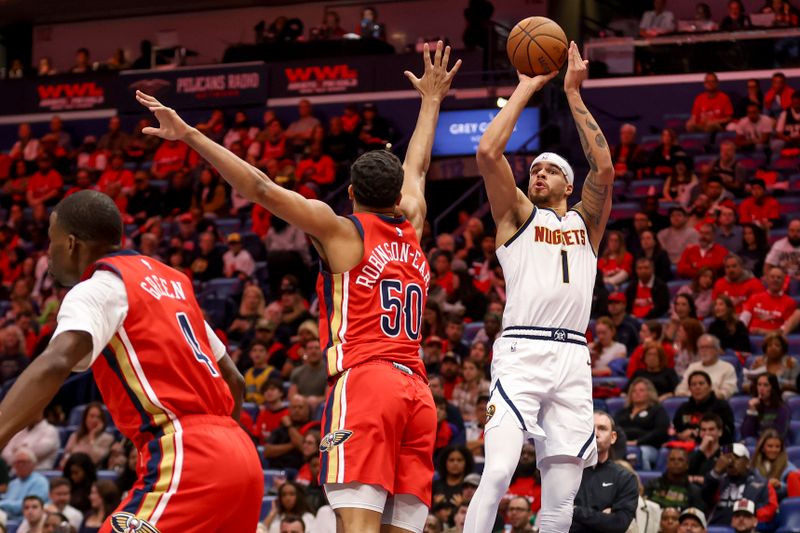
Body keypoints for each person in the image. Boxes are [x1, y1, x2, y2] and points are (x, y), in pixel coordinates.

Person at [139, 43, 462, 533]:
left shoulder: (341, 231)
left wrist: (189, 135)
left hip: (367, 382)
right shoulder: (413, 220)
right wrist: (431, 100)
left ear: (351, 194)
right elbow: (416, 167)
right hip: (419, 394)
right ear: (398, 195)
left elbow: (261, 188)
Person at [0, 191, 263, 531]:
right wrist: (223, 454)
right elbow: (235, 380)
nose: (47, 252)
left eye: (51, 241)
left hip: (187, 452)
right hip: (241, 456)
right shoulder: (173, 283)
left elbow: (55, 362)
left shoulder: (99, 287)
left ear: (71, 243)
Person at [465, 43, 613, 533]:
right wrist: (527, 85)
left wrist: (572, 92)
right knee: (500, 471)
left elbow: (605, 169)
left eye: (549, 169)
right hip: (522, 349)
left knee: (560, 499)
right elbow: (489, 152)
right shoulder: (515, 217)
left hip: (572, 357)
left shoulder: (587, 222)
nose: (538, 174)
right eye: (535, 170)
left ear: (568, 184)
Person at [570, 412, 638, 532]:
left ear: (613, 437)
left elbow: (619, 524)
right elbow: (556, 516)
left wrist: (574, 510)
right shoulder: (567, 472)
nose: (595, 434)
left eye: (602, 429)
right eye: (590, 428)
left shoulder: (625, 478)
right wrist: (603, 518)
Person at [701, 443, 778, 525]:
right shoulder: (717, 481)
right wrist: (716, 472)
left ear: (747, 463)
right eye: (727, 458)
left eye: (736, 458)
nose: (731, 462)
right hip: (716, 528)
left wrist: (747, 518)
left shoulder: (761, 484)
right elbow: (704, 498)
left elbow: (770, 508)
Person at [614, 378, 670, 470]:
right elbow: (614, 430)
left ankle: (644, 481)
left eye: (641, 390)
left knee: (641, 453)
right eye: (634, 391)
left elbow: (660, 432)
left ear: (649, 393)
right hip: (622, 445)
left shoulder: (657, 410)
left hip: (648, 447)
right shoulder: (622, 412)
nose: (637, 393)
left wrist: (637, 442)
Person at [673, 371, 735, 445]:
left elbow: (728, 432)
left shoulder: (721, 406)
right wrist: (680, 436)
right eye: (693, 384)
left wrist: (697, 435)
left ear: (710, 386)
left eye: (701, 383)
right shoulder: (683, 408)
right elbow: (674, 429)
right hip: (686, 448)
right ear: (689, 389)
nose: (697, 387)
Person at [675, 334, 738, 400]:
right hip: (693, 405)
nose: (704, 350)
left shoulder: (727, 368)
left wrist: (696, 394)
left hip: (716, 406)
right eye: (701, 348)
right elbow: (680, 390)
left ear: (716, 350)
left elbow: (725, 393)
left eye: (707, 347)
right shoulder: (693, 367)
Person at [741, 266, 796, 334]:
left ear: (783, 281)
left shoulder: (790, 302)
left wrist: (764, 332)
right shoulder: (754, 298)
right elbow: (743, 320)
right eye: (772, 277)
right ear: (767, 279)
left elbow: (785, 327)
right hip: (751, 336)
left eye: (779, 277)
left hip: (774, 339)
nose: (775, 280)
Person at [59, 403, 114, 468]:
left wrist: (92, 436)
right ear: (85, 418)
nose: (94, 420)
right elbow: (64, 460)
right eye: (91, 416)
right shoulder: (75, 436)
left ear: (102, 420)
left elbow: (95, 459)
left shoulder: (107, 438)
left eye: (98, 417)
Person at [0, 449, 49, 520]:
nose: (20, 465)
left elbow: (28, 505)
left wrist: (2, 504)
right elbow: (6, 499)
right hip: (8, 519)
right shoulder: (13, 483)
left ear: (33, 464)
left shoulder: (40, 482)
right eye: (17, 462)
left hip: (28, 520)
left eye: (24, 462)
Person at [741, 373, 791, 441]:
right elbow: (745, 434)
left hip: (774, 445)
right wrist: (752, 410)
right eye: (759, 384)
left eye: (766, 385)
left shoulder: (783, 409)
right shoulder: (754, 406)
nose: (761, 388)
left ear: (773, 388)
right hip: (756, 444)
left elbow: (780, 434)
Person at [751, 429, 796, 500]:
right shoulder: (753, 465)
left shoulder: (788, 466)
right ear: (762, 448)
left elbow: (794, 487)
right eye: (770, 446)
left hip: (780, 503)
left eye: (777, 447)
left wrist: (780, 485)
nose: (774, 450)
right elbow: (748, 486)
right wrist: (766, 484)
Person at [688, 414, 725, 484]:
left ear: (720, 432)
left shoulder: (725, 454)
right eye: (703, 430)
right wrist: (701, 449)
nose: (707, 433)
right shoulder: (693, 454)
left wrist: (696, 479)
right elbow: (685, 471)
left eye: (711, 429)